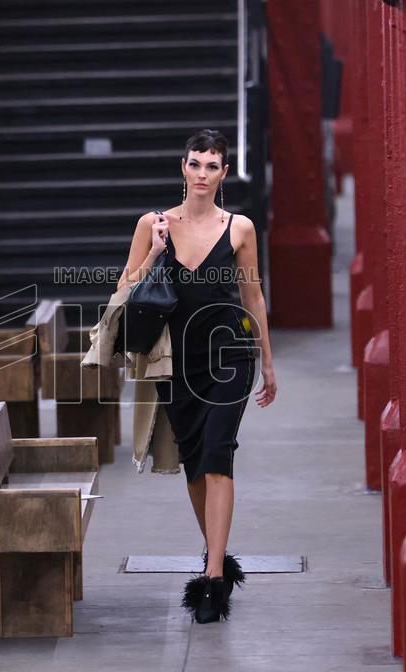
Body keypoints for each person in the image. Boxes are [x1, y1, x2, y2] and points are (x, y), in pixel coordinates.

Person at [116, 129, 278, 623]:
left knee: (216, 454)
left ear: (224, 173)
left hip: (230, 354)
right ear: (182, 168)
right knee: (192, 461)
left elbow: (252, 297)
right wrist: (153, 251)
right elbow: (125, 288)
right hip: (176, 361)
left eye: (212, 165)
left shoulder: (241, 228)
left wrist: (267, 362)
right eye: (195, 164)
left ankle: (211, 579)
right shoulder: (154, 223)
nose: (203, 173)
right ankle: (217, 553)